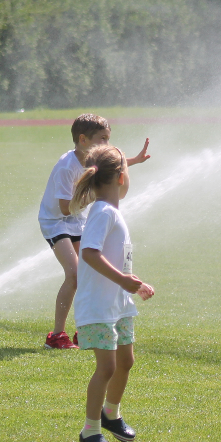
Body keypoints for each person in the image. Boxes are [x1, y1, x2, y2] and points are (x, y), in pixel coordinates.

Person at [38, 114, 150, 350]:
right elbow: (64, 208)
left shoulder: (92, 162)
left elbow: (105, 171)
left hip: (77, 220)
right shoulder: (67, 166)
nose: (107, 144)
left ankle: (85, 329)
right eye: (102, 139)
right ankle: (56, 336)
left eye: (108, 138)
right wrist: (96, 194)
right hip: (56, 222)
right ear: (83, 140)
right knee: (74, 275)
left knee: (86, 275)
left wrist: (134, 161)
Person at [70, 144, 154, 442]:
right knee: (106, 367)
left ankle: (111, 414)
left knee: (125, 362)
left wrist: (134, 282)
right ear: (120, 178)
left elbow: (117, 259)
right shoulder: (103, 212)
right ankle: (90, 431)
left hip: (119, 304)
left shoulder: (113, 212)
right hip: (98, 306)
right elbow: (89, 253)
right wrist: (122, 280)